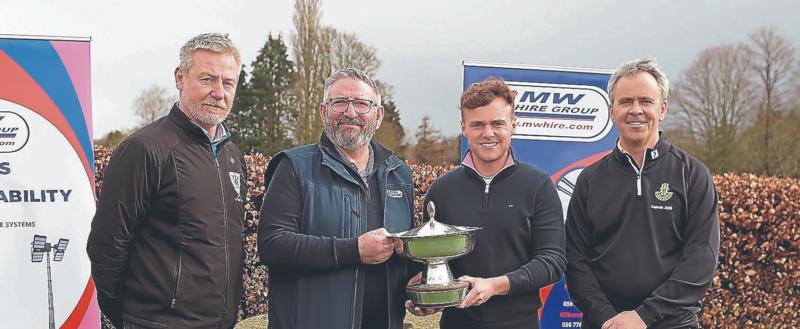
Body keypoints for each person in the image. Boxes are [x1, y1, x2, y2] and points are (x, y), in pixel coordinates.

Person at [87, 33, 246, 329]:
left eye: (228, 82)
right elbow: (106, 244)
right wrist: (134, 316)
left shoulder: (233, 156)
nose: (219, 92)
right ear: (180, 78)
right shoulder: (144, 149)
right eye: (207, 79)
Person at [565, 58, 720, 329]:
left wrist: (644, 316)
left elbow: (701, 257)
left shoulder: (693, 175)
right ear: (612, 111)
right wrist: (607, 318)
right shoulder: (590, 180)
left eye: (645, 101)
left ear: (662, 109)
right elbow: (575, 258)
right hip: (605, 324)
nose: (635, 110)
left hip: (673, 323)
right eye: (626, 102)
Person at [258, 68, 419, 329]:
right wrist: (353, 250)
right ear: (324, 112)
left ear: (377, 116)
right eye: (340, 102)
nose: (350, 112)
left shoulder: (399, 175)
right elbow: (273, 245)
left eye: (362, 104)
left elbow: (405, 253)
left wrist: (417, 285)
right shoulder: (293, 167)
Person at [421, 78, 566, 329]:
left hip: (520, 323)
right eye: (477, 124)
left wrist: (495, 285)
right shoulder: (441, 190)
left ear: (513, 125)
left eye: (497, 123)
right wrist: (426, 297)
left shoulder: (538, 186)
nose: (488, 133)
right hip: (457, 323)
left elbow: (552, 261)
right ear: (464, 128)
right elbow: (432, 262)